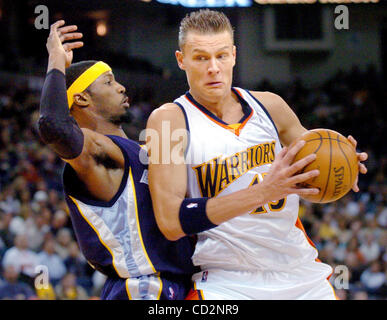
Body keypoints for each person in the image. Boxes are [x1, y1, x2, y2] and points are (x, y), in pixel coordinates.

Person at [146, 9, 368, 300]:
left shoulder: (271, 106)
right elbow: (171, 222)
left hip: (299, 272)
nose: (213, 67)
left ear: (234, 55)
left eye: (222, 56)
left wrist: (345, 165)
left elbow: (314, 169)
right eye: (201, 57)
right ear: (181, 60)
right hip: (226, 282)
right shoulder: (167, 122)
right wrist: (263, 192)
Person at [36, 20, 196, 300]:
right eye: (108, 82)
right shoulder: (100, 151)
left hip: (178, 283)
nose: (121, 87)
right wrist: (56, 60)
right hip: (144, 286)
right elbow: (53, 124)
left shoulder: (139, 147)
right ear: (83, 98)